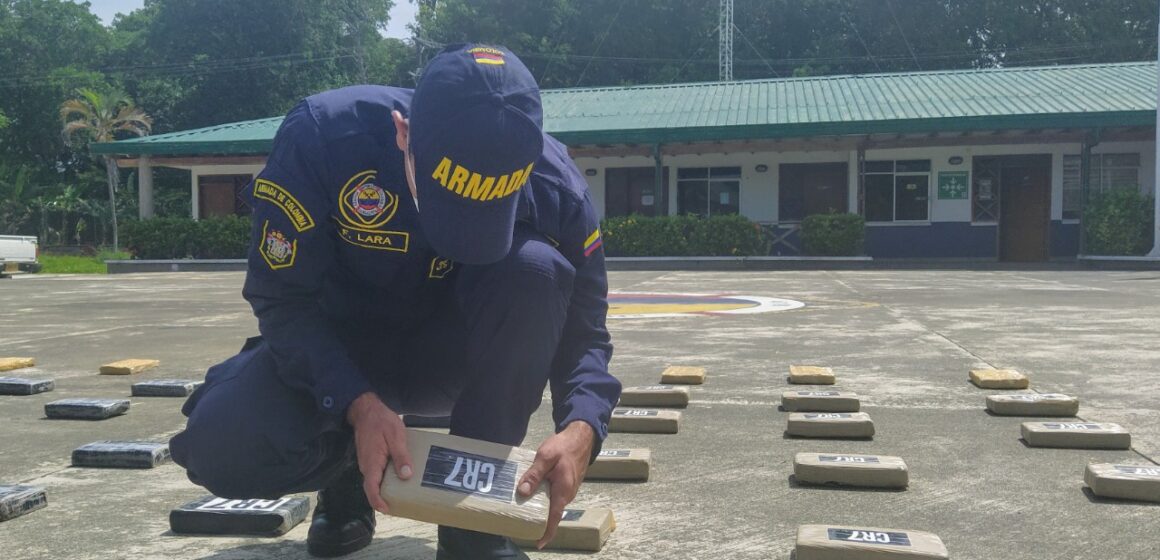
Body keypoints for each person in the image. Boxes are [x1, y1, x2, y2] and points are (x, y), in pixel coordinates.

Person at [170, 44, 621, 559]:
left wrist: (583, 426)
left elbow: (586, 333)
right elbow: (282, 299)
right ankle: (345, 479)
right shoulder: (325, 139)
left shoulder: (558, 185)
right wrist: (355, 404)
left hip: (455, 362)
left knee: (537, 272)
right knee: (224, 444)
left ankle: (470, 527)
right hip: (343, 358)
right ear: (404, 134)